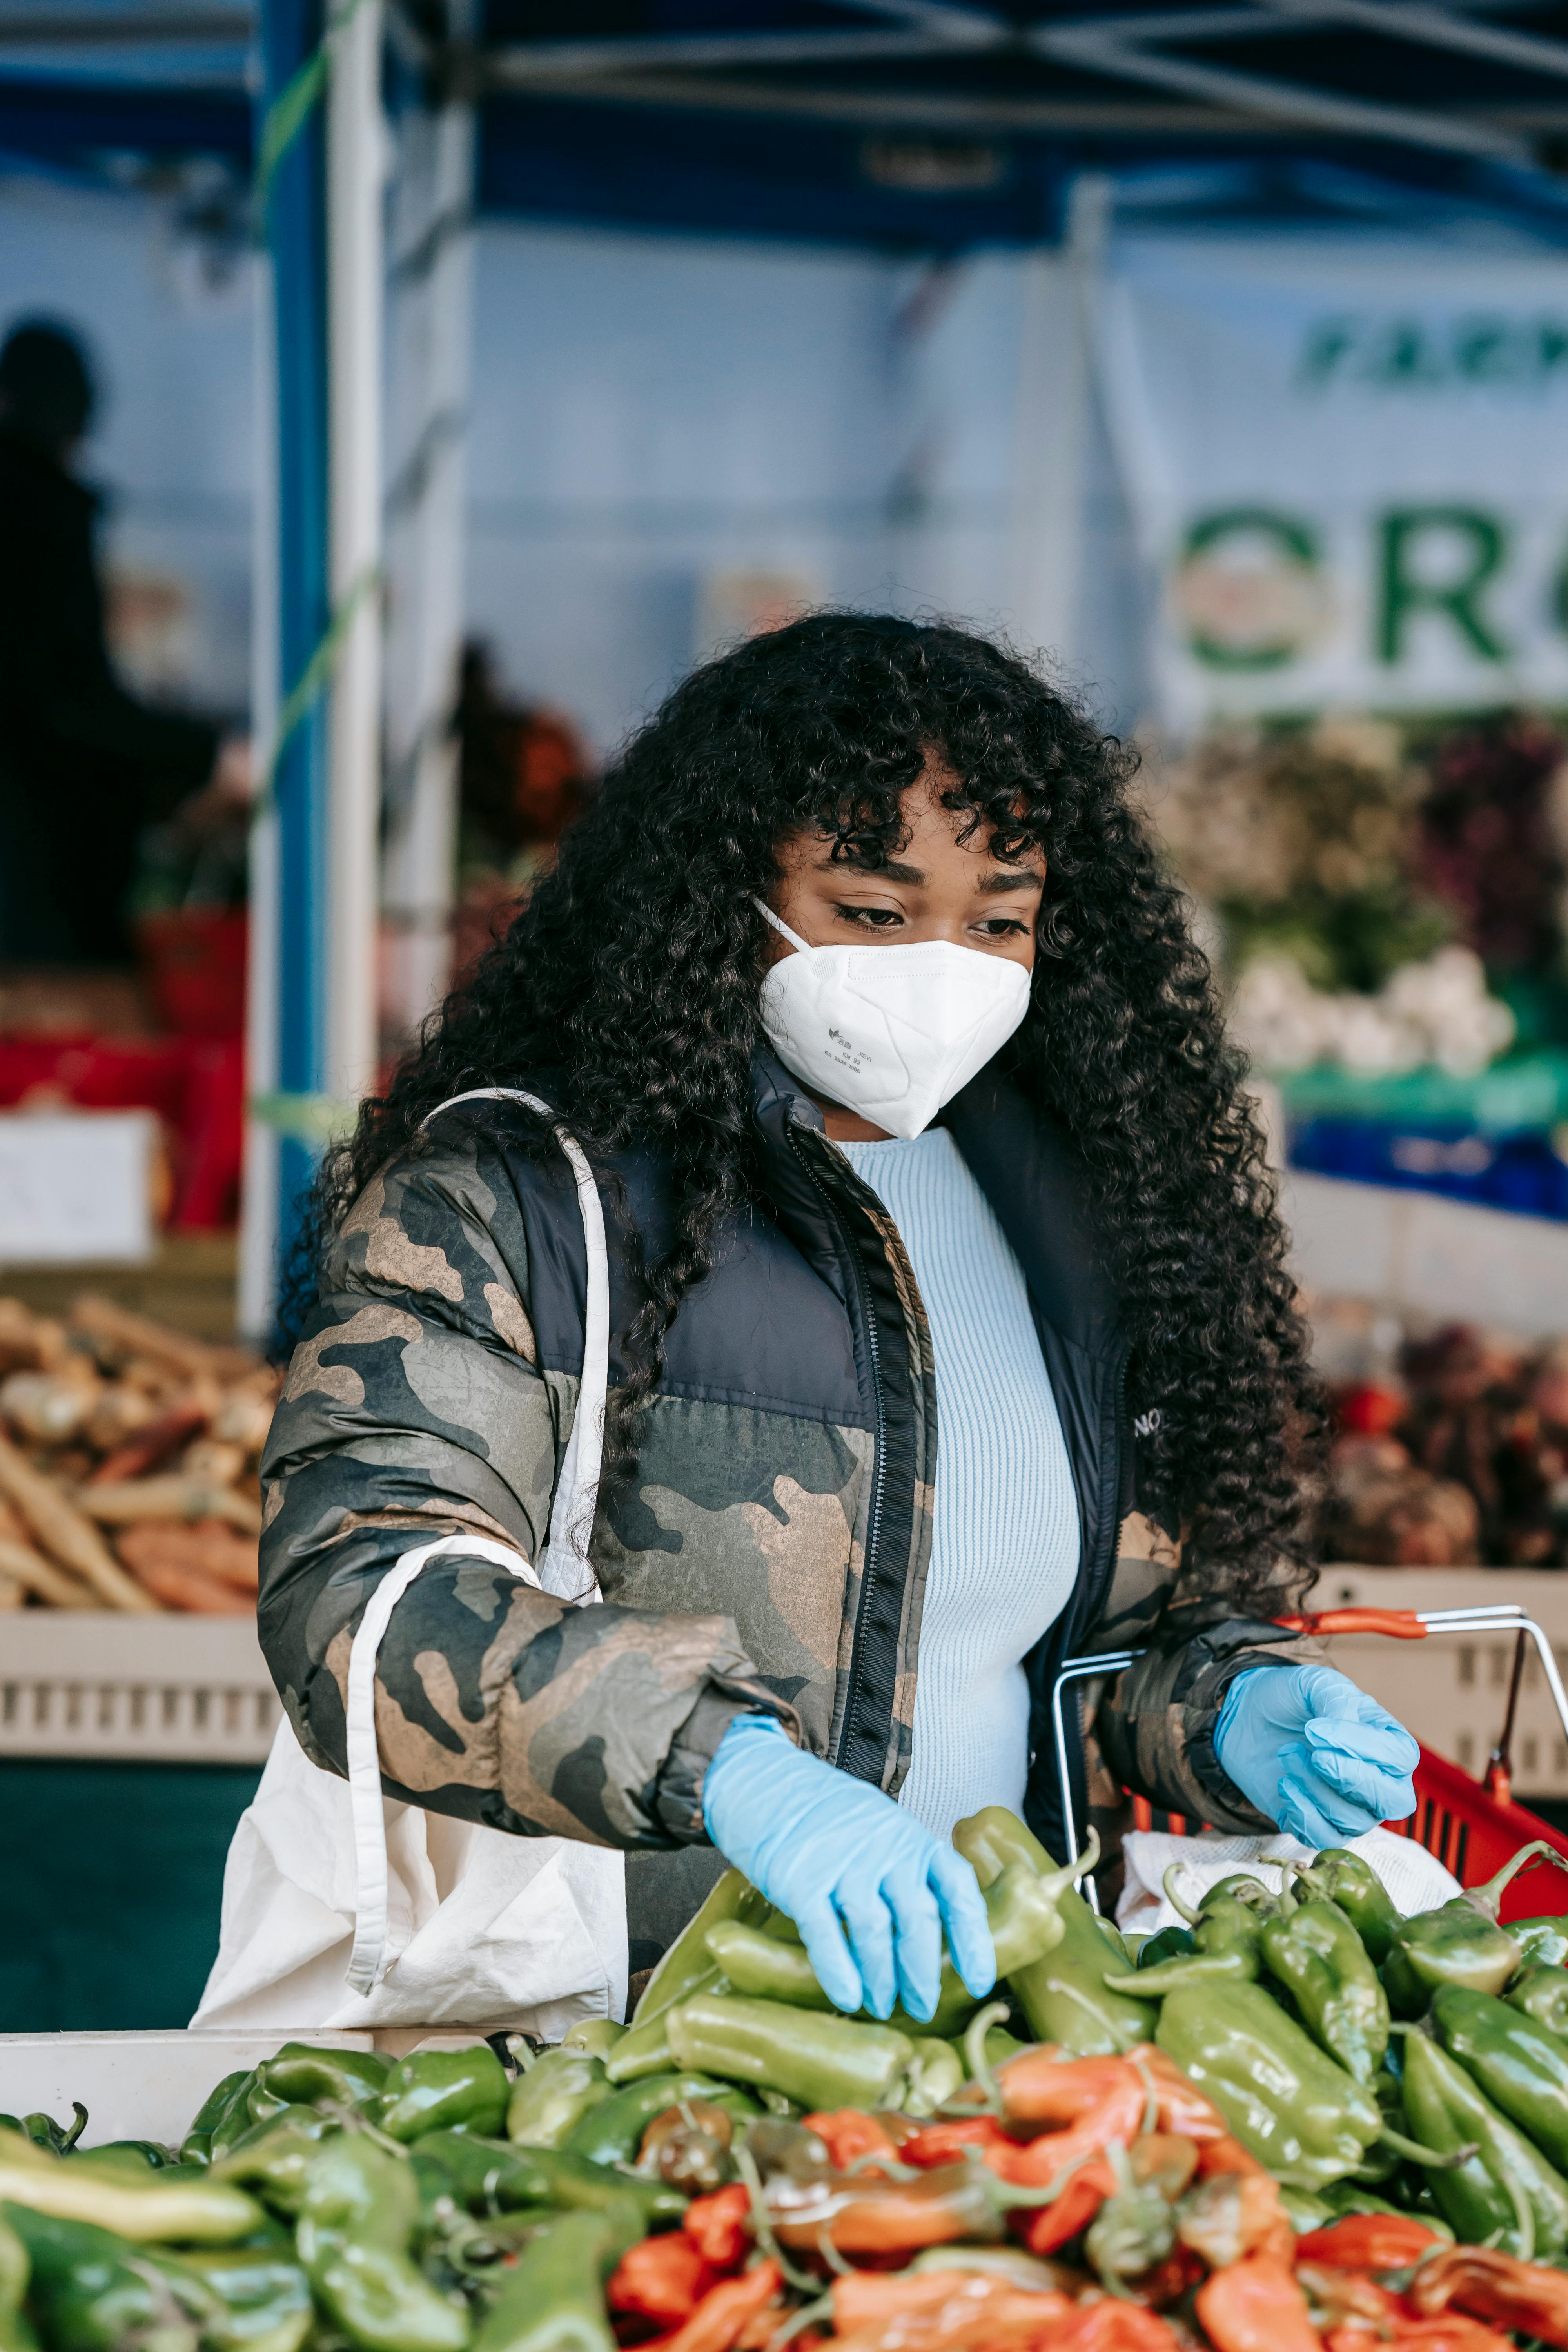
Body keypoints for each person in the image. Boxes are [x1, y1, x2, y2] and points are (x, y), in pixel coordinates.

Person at [257, 614, 1419, 2024]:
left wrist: (1217, 1705)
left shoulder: (1090, 1214)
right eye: (875, 913)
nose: (943, 963)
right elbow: (355, 1591)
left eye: (999, 919)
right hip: (610, 2056)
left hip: (990, 2051)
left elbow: (1074, 1654)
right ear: (719, 893)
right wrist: (728, 1768)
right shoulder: (514, 1199)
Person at [0, 318, 250, 964]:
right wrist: (201, 754)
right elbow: (62, 699)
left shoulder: (40, 507)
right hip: (39, 876)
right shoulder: (38, 514)